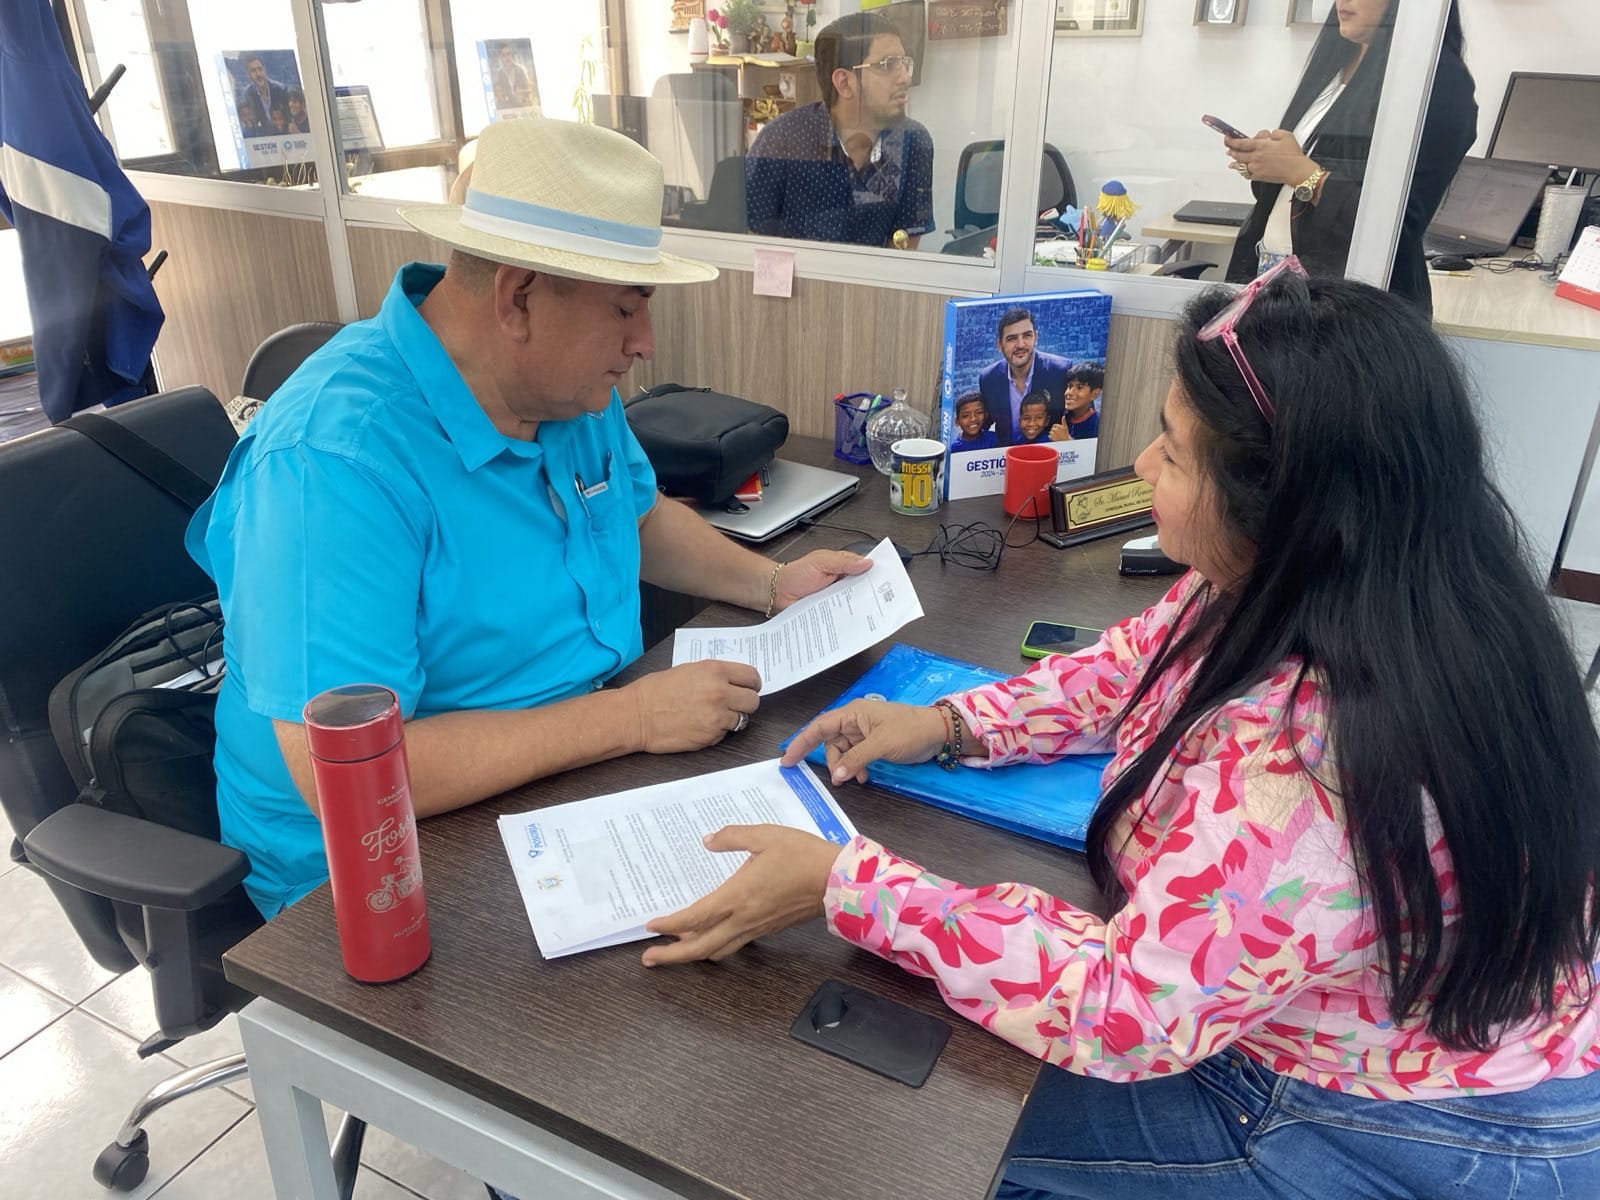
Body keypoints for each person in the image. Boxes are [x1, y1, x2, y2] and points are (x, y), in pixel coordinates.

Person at [640, 262, 1600, 1196]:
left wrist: (846, 885)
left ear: (1283, 507)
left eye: (1172, 455)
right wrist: (949, 722)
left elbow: (1122, 1008)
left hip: (1394, 1120)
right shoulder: (1327, 580)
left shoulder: (1318, 766)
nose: (1140, 467)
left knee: (919, 1129)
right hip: (1373, 1023)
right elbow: (1129, 669)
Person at [185, 117, 869, 919]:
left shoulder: (565, 390)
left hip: (573, 771)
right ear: (517, 299)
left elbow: (635, 516)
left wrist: (773, 584)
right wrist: (631, 717)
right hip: (379, 868)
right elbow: (352, 772)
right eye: (626, 309)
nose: (645, 343)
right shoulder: (333, 462)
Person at [1223, 0, 1476, 314]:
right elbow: (1304, 186)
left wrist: (1301, 172)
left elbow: (1402, 222)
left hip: (1350, 306)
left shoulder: (1438, 80)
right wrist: (1268, 161)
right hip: (1277, 282)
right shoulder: (1338, 63)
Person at [744, 13, 933, 248]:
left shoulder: (913, 141)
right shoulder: (782, 140)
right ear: (844, 83)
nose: (905, 78)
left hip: (874, 271)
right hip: (797, 271)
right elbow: (748, 237)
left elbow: (905, 241)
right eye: (889, 65)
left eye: (904, 64)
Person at [978, 307, 1070, 447]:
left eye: (1027, 335)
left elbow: (1082, 419)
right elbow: (983, 424)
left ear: (1036, 337)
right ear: (999, 345)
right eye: (1012, 338)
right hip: (1006, 456)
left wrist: (1068, 442)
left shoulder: (1061, 371)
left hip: (1047, 454)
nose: (1020, 345)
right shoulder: (988, 378)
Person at [237, 54, 289, 138]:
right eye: (253, 71)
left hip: (283, 135)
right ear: (248, 75)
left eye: (260, 69)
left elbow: (288, 118)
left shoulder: (280, 89)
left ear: (264, 70)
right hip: (263, 137)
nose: (258, 74)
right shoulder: (248, 94)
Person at [1049, 362, 1103, 441]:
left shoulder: (1098, 424)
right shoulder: (1063, 416)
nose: (1069, 392)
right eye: (1069, 386)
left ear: (1094, 394)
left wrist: (1067, 441)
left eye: (1079, 387)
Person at [491, 42, 535, 113]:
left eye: (508, 54)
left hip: (523, 104)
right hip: (509, 107)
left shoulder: (521, 69)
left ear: (512, 55)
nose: (507, 58)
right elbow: (500, 93)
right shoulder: (500, 73)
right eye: (503, 55)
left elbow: (528, 89)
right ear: (501, 58)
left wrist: (527, 102)